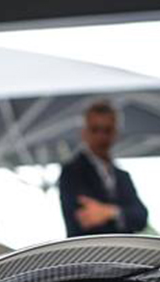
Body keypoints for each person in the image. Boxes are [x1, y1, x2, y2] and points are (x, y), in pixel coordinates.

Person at [58, 100, 148, 237]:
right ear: (84, 132)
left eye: (107, 130)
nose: (101, 136)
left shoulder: (122, 176)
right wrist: (122, 214)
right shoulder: (72, 172)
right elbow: (84, 220)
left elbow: (141, 217)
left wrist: (109, 212)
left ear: (115, 133)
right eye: (95, 129)